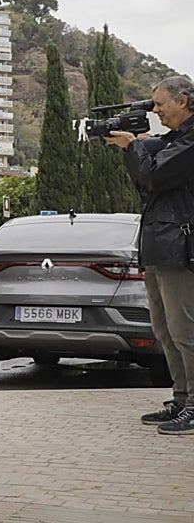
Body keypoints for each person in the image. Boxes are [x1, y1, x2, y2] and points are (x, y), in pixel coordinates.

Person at [106, 75, 194, 435]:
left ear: (183, 101)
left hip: (180, 248)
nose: (156, 111)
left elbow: (154, 176)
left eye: (160, 104)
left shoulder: (191, 141)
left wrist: (132, 146)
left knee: (185, 330)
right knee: (164, 329)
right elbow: (147, 178)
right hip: (160, 244)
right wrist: (136, 146)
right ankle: (181, 399)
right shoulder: (175, 139)